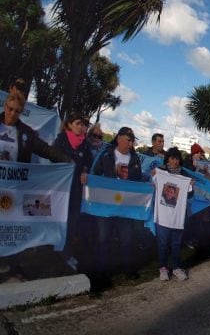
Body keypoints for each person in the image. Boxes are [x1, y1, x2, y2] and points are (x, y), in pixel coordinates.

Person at [90, 126, 143, 281]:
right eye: (128, 140)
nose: (131, 144)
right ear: (119, 138)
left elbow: (138, 181)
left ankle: (127, 268)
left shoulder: (135, 158)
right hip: (106, 206)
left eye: (132, 141)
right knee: (103, 238)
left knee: (127, 239)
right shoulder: (106, 154)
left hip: (125, 207)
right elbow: (95, 173)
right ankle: (102, 271)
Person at [52, 113, 92, 268]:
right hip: (61, 188)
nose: (81, 126)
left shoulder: (85, 144)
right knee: (60, 219)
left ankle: (66, 252)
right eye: (77, 123)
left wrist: (85, 170)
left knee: (72, 221)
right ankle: (56, 250)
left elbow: (89, 161)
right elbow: (53, 157)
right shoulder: (61, 139)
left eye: (82, 124)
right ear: (69, 125)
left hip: (76, 190)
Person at [154, 147, 192, 281]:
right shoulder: (160, 172)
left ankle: (176, 267)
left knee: (176, 244)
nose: (174, 161)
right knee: (162, 243)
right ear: (167, 159)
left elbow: (190, 193)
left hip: (177, 217)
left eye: (177, 158)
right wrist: (154, 177)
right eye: (172, 158)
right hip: (162, 215)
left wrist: (190, 185)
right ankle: (163, 268)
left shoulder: (185, 176)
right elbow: (151, 184)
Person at [0, 91, 68, 163]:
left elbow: (46, 150)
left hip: (15, 173)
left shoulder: (26, 132)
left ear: (21, 111)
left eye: (17, 111)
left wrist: (68, 161)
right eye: (10, 109)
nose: (13, 113)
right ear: (5, 106)